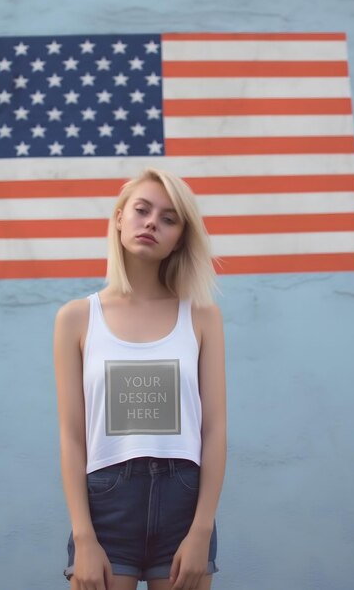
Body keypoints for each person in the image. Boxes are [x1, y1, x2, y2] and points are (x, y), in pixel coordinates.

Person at [54, 168, 227, 590]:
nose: (152, 222)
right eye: (142, 210)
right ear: (118, 218)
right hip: (106, 502)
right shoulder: (76, 318)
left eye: (169, 219)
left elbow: (216, 428)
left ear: (180, 238)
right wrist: (84, 536)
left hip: (184, 502)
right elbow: (72, 436)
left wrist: (201, 529)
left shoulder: (201, 315)